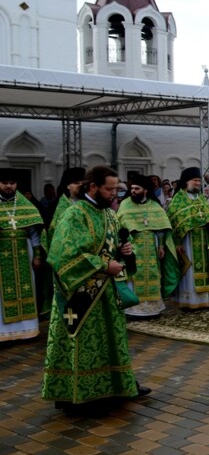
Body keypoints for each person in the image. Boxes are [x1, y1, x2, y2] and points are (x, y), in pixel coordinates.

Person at [42, 165, 150, 412]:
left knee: (111, 340)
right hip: (80, 295)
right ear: (92, 187)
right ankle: (79, 395)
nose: (114, 194)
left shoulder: (110, 214)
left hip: (106, 293)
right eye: (109, 189)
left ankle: (116, 386)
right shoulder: (75, 214)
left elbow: (118, 244)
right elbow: (63, 255)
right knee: (83, 343)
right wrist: (103, 264)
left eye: (116, 189)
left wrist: (126, 252)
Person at [117, 173, 178, 318]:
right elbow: (119, 227)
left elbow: (161, 228)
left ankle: (152, 309)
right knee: (134, 275)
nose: (133, 191)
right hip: (134, 246)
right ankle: (133, 309)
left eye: (137, 189)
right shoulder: (125, 205)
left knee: (153, 275)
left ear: (145, 190)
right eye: (132, 188)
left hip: (151, 245)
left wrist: (162, 246)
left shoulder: (154, 205)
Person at [0, 169, 46, 342]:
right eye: (5, 183)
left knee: (28, 289)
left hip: (23, 253)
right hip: (2, 254)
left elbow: (35, 234)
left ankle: (27, 330)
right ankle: (3, 333)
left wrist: (37, 256)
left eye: (12, 183)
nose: (8, 186)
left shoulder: (25, 205)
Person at [166, 167, 209, 310]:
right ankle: (190, 300)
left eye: (199, 181)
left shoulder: (200, 198)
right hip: (187, 240)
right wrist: (177, 242)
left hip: (203, 237)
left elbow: (208, 215)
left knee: (205, 269)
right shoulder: (178, 199)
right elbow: (173, 221)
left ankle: (205, 299)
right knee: (190, 268)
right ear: (186, 182)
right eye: (195, 180)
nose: (198, 183)